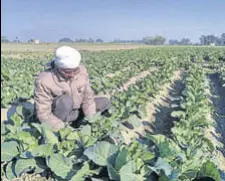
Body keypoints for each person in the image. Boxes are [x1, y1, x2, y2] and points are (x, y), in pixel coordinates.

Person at [34, 46, 110, 131]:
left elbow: (88, 99)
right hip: (57, 116)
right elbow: (43, 114)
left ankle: (78, 123)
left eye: (75, 70)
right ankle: (63, 129)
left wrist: (91, 120)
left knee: (104, 102)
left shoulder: (82, 72)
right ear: (58, 68)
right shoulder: (44, 80)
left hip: (75, 111)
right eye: (68, 72)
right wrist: (65, 130)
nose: (72, 75)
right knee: (65, 100)